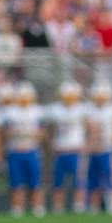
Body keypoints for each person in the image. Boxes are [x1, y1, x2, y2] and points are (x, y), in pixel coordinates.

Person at [0, 81, 44, 217]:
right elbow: (5, 133)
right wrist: (22, 133)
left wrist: (26, 133)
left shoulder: (38, 111)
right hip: (16, 151)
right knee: (16, 183)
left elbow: (42, 134)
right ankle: (17, 208)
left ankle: (38, 207)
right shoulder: (10, 112)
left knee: (35, 182)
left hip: (32, 150)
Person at [84, 81, 112, 214]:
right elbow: (89, 129)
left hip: (108, 148)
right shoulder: (90, 110)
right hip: (94, 149)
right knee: (94, 181)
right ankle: (94, 207)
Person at [46, 80, 86, 214]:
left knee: (78, 181)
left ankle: (79, 205)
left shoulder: (81, 109)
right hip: (60, 150)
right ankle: (58, 207)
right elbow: (50, 129)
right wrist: (51, 143)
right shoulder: (56, 109)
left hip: (75, 149)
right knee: (58, 182)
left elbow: (92, 126)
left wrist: (87, 144)